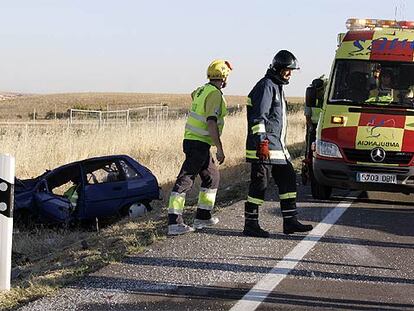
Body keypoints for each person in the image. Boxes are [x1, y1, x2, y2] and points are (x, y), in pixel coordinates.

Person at [244, 50, 313, 237]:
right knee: (260, 185)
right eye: (287, 70)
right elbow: (259, 118)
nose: (290, 74)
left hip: (277, 149)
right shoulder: (266, 86)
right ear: (278, 69)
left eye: (291, 70)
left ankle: (290, 222)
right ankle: (250, 224)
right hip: (264, 149)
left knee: (289, 179)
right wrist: (261, 143)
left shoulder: (277, 86)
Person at [167, 59, 232, 235]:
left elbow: (193, 94)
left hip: (195, 142)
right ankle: (174, 222)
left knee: (212, 177)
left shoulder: (202, 90)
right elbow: (211, 122)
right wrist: (219, 148)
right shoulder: (215, 94)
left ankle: (203, 216)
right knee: (186, 179)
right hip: (199, 143)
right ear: (224, 77)